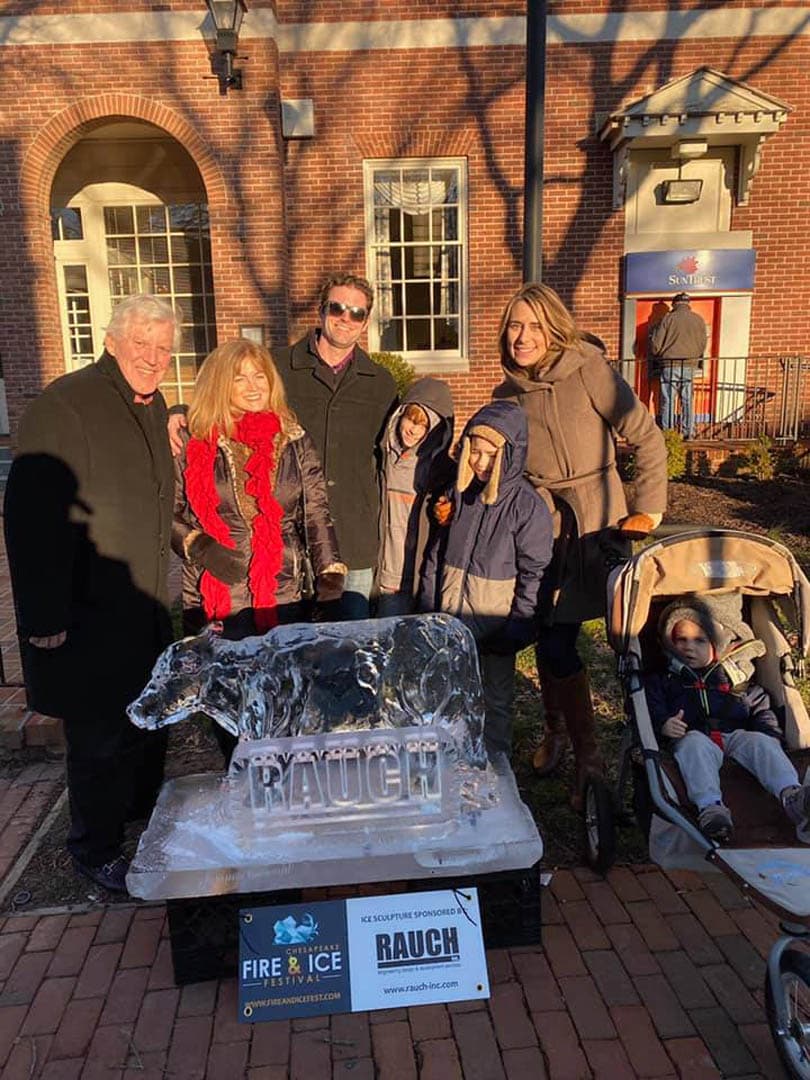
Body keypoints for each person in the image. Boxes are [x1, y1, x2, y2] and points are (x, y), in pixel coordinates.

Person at [4, 294, 178, 893]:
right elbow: (31, 518)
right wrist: (44, 615)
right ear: (112, 341)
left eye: (163, 349)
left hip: (144, 604)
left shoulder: (152, 406)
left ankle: (137, 822)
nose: (153, 359)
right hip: (87, 611)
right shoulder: (65, 404)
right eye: (142, 345)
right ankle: (94, 849)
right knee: (99, 740)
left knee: (145, 726)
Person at [492, 283, 668, 808]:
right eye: (513, 326)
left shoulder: (588, 370)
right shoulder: (507, 394)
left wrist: (649, 508)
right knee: (552, 638)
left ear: (554, 329)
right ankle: (572, 742)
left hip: (601, 521)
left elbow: (647, 435)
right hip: (542, 527)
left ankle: (658, 742)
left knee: (628, 639)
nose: (521, 337)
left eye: (532, 326)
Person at [168, 274, 397, 619]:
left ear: (366, 322)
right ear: (321, 311)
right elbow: (224, 392)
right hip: (254, 563)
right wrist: (177, 412)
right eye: (337, 308)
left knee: (341, 650)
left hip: (348, 536)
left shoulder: (380, 382)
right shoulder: (276, 365)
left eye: (357, 313)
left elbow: (398, 449)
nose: (346, 318)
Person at [172, 338, 345, 763]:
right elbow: (168, 512)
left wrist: (330, 574)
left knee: (286, 698)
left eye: (259, 376)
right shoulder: (194, 443)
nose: (252, 386)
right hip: (220, 593)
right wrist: (199, 546)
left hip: (284, 590)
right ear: (219, 384)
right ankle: (243, 784)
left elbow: (315, 510)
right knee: (232, 704)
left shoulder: (292, 438)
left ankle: (285, 789)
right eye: (239, 377)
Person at [419, 401, 553, 758]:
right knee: (447, 693)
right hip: (449, 619)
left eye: (490, 455)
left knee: (495, 699)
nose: (479, 462)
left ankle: (495, 767)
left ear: (510, 455)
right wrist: (430, 605)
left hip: (495, 626)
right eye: (473, 451)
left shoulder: (527, 507)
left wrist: (519, 625)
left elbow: (534, 573)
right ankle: (450, 759)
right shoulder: (457, 495)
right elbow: (436, 553)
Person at [646, 595, 810, 843]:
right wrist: (663, 724)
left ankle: (792, 796)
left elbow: (760, 707)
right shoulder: (664, 680)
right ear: (669, 643)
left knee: (760, 742)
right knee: (693, 746)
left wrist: (771, 736)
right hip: (695, 736)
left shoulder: (736, 677)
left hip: (735, 736)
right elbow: (652, 707)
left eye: (699, 640)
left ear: (716, 645)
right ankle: (711, 809)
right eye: (681, 640)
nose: (689, 647)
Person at [376, 377, 455, 617]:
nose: (413, 429)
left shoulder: (443, 474)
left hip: (416, 578)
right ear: (398, 416)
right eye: (411, 419)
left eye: (424, 426)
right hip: (380, 572)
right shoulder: (381, 460)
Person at [648, 292, 707, 439]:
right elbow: (702, 345)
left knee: (668, 399)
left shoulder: (667, 319)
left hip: (670, 364)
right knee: (687, 399)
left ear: (674, 304)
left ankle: (669, 433)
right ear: (688, 304)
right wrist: (693, 358)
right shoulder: (698, 320)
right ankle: (689, 433)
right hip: (689, 365)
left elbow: (655, 345)